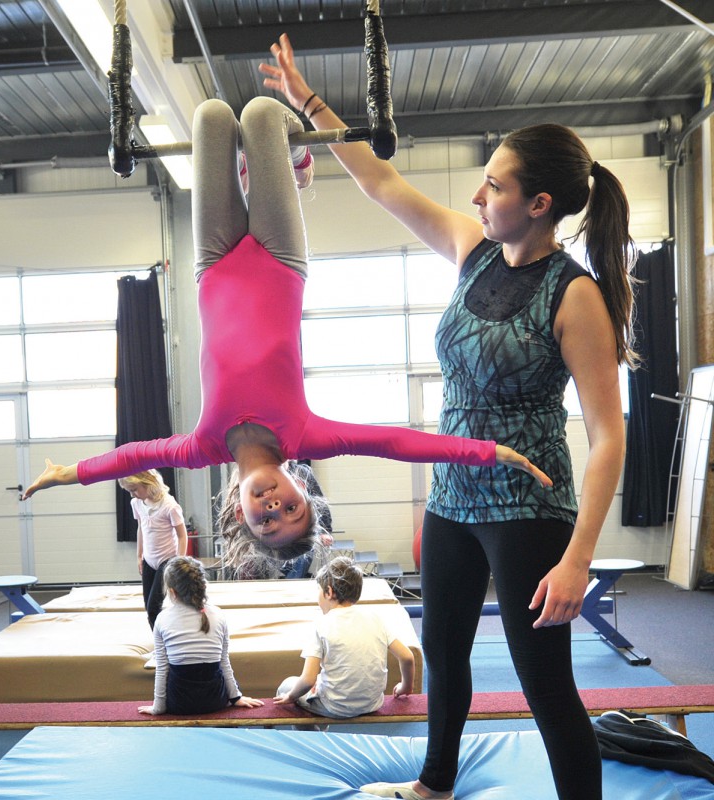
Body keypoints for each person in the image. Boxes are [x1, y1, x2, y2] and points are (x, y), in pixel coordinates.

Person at [261, 33, 634, 800]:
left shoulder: (575, 296)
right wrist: (308, 102)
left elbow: (607, 437)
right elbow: (382, 183)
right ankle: (435, 785)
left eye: (492, 186)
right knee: (446, 651)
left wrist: (578, 557)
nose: (475, 197)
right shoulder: (474, 253)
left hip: (528, 506)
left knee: (544, 683)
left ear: (538, 204)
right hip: (452, 496)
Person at [21, 96, 549, 577]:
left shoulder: (202, 446)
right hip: (279, 259)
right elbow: (396, 443)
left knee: (209, 116)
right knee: (259, 114)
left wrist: (70, 473)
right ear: (303, 489)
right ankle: (292, 172)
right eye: (292, 509)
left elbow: (134, 455)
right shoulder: (305, 435)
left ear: (239, 514)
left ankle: (271, 171)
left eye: (267, 522)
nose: (275, 507)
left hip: (213, 262)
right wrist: (486, 451)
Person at [274, 556, 414, 718]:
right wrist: (406, 686)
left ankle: (312, 737)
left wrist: (290, 697)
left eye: (319, 591)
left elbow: (307, 680)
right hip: (373, 702)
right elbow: (407, 657)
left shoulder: (322, 624)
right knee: (321, 680)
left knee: (287, 686)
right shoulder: (375, 618)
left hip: (336, 707)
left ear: (329, 592)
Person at [138, 556, 264, 716]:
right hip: (215, 700)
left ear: (172, 592)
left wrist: (158, 707)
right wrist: (235, 697)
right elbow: (224, 661)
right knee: (217, 668)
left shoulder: (162, 619)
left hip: (179, 703)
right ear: (202, 586)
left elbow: (162, 668)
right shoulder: (218, 614)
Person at [117, 470, 187, 628]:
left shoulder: (169, 506)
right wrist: (139, 555)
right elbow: (141, 528)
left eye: (134, 489)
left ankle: (164, 641)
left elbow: (182, 536)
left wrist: (178, 562)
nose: (132, 495)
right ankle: (159, 639)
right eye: (129, 491)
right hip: (149, 560)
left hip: (166, 560)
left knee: (154, 607)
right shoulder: (136, 503)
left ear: (148, 482)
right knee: (148, 607)